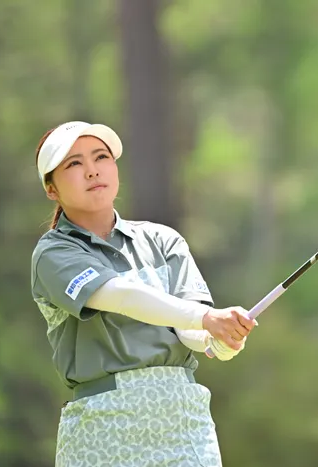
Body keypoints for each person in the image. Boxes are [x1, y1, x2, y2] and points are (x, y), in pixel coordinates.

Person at [30, 121, 257, 467]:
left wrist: (221, 337)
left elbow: (190, 330)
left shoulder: (163, 240)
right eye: (74, 163)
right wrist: (207, 318)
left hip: (184, 425)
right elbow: (119, 296)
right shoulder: (54, 252)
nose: (92, 170)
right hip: (103, 426)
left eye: (101, 157)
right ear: (51, 189)